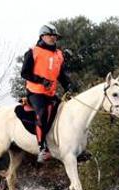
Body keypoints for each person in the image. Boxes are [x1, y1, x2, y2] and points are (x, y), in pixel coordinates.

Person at [20, 24, 74, 163]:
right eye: (51, 36)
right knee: (42, 113)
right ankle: (42, 148)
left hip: (50, 93)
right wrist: (41, 81)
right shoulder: (33, 52)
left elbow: (61, 75)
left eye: (55, 36)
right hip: (35, 92)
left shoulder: (59, 55)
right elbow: (24, 73)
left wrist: (68, 85)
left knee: (66, 112)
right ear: (43, 36)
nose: (54, 38)